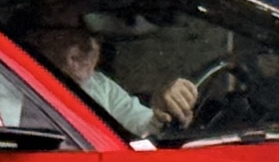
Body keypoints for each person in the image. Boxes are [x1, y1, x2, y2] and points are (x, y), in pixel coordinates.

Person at [30, 23, 197, 137]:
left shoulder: (99, 85)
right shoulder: (10, 84)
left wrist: (165, 111)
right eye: (67, 37)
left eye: (92, 37)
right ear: (37, 41)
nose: (90, 49)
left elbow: (140, 126)